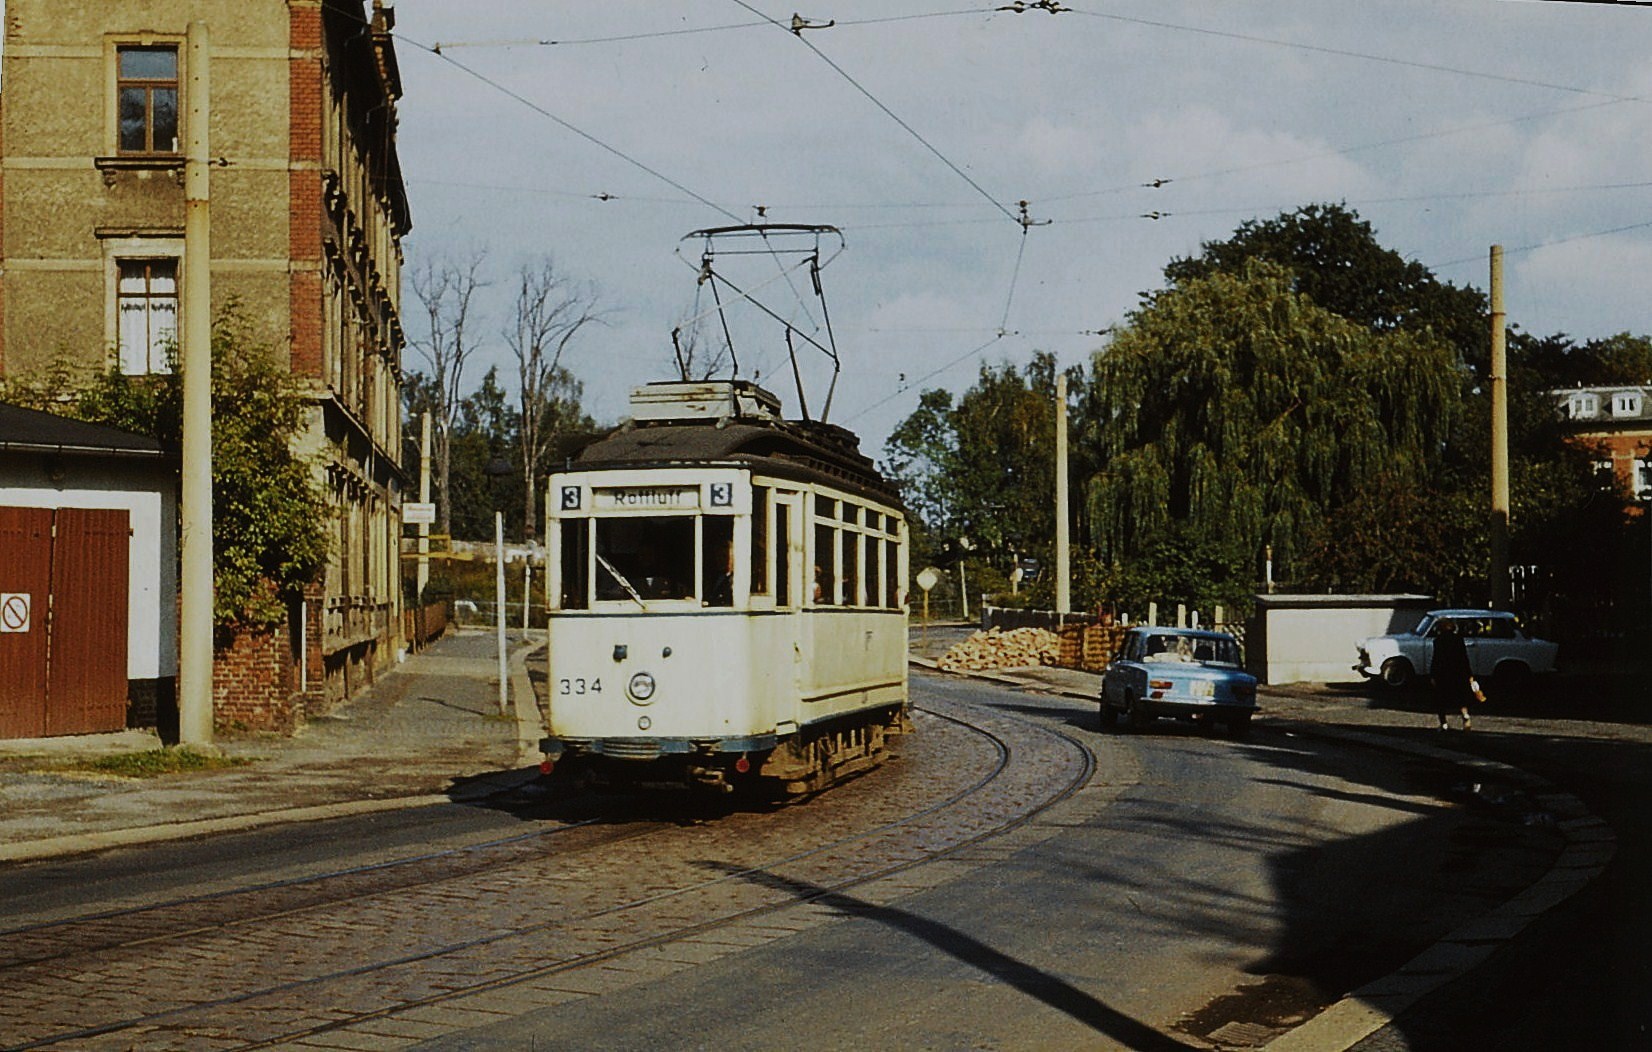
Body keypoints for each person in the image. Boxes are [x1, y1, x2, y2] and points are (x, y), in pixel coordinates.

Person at [1431, 620, 1474, 731]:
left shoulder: (1438, 641)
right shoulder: (1458, 640)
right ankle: (1465, 715)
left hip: (1443, 673)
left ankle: (1444, 724)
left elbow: (1436, 659)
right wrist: (1469, 674)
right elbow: (1464, 658)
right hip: (1458, 672)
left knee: (1440, 699)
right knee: (1460, 697)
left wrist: (1433, 675)